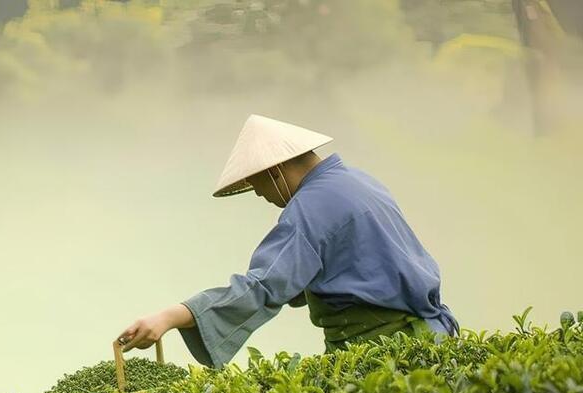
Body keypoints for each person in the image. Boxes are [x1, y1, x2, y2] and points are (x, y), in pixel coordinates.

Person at [118, 114, 458, 366]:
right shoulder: (358, 181)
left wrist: (168, 317)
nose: (259, 195)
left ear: (274, 171)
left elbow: (262, 288)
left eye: (256, 184)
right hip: (427, 339)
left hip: (381, 356)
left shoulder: (310, 208)